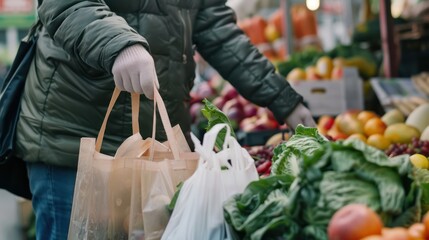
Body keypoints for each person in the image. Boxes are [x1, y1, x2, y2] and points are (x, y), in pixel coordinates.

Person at [15, 0, 315, 239]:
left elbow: (217, 30)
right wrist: (118, 42)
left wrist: (283, 100)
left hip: (155, 149)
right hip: (77, 139)